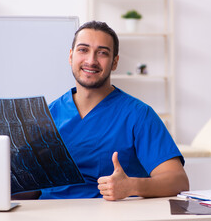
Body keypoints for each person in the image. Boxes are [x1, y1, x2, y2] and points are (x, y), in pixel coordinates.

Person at [39, 20, 189, 201]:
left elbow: (178, 180)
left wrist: (131, 186)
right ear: (71, 56)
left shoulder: (138, 115)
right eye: (83, 50)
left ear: (115, 62)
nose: (91, 60)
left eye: (102, 53)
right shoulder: (46, 115)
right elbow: (31, 190)